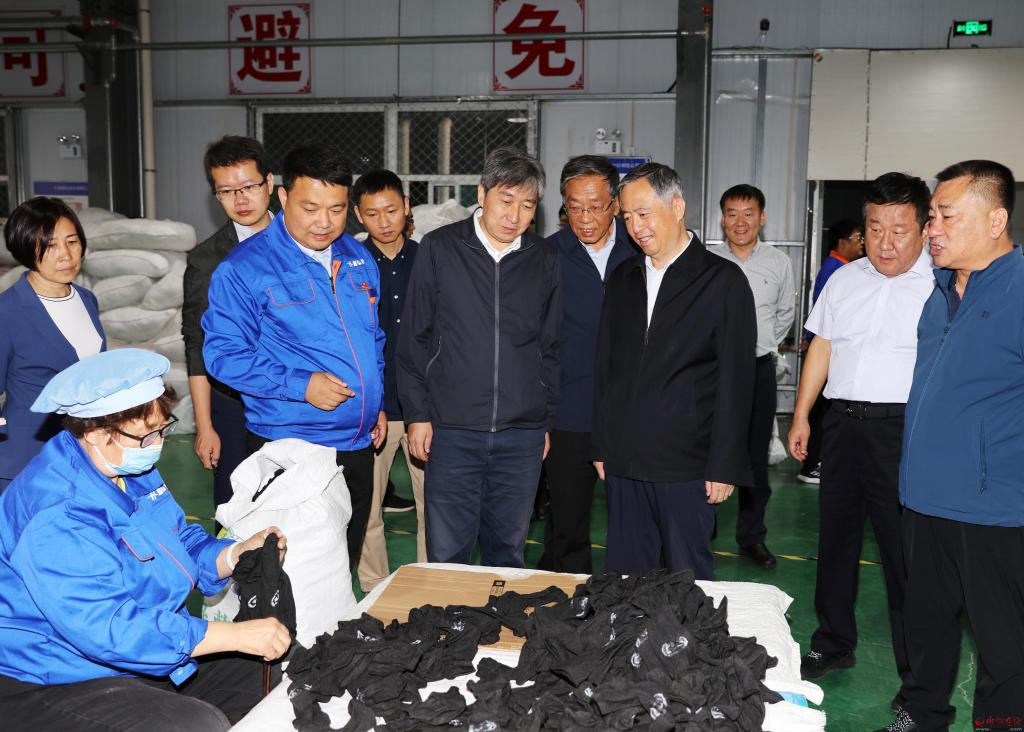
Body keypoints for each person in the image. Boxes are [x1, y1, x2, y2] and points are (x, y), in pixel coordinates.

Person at [0, 349, 290, 731]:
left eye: (162, 430)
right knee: (194, 725)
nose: (157, 444)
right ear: (95, 432)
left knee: (269, 675)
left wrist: (235, 553)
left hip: (143, 647)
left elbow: (179, 542)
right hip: (56, 676)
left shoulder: (126, 466)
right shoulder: (57, 511)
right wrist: (232, 635)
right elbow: (109, 628)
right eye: (147, 435)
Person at [877, 161, 1024, 732]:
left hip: (993, 508)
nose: (932, 229)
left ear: (996, 221)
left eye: (946, 216)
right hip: (922, 498)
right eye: (932, 216)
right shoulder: (938, 295)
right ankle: (922, 716)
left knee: (1004, 645)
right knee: (927, 627)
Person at [202, 144, 386, 569]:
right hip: (292, 446)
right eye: (310, 208)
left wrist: (374, 401)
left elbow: (373, 338)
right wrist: (301, 385)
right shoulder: (245, 268)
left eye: (337, 209)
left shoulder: (357, 257)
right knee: (296, 576)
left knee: (341, 567)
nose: (324, 222)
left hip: (357, 446)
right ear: (283, 197)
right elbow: (223, 355)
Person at [788, 174, 932, 713]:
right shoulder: (844, 280)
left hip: (904, 431)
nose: (885, 242)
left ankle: (917, 675)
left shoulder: (942, 284)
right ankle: (833, 643)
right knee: (837, 541)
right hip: (843, 426)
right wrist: (803, 415)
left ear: (924, 228)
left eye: (899, 229)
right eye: (875, 229)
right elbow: (822, 347)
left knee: (904, 557)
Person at [591, 162, 756, 580]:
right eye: (628, 217)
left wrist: (724, 464)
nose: (635, 227)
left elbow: (736, 382)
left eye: (644, 213)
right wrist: (602, 443)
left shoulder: (722, 281)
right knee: (625, 582)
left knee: (687, 583)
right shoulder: (623, 278)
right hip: (625, 461)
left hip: (687, 466)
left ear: (677, 207)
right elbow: (606, 367)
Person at [397, 147, 559, 568]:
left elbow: (551, 346)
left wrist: (543, 420)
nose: (515, 216)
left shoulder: (544, 258)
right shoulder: (440, 248)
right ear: (482, 194)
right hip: (451, 431)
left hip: (520, 436)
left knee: (508, 552)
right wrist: (418, 414)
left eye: (527, 206)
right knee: (448, 554)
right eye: (506, 200)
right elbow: (414, 338)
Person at [537, 155, 638, 574]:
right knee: (566, 521)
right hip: (569, 410)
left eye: (595, 206)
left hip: (632, 410)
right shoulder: (547, 255)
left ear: (616, 203)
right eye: (574, 207)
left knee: (634, 520)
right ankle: (567, 597)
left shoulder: (640, 250)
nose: (584, 218)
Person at [182, 135, 274, 519]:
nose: (240, 199)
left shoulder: (304, 243)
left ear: (269, 183)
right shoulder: (207, 259)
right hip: (233, 404)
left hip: (298, 398)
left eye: (249, 186)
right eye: (227, 191)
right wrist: (205, 426)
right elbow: (196, 343)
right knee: (235, 508)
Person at [708, 185, 795, 569]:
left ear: (762, 217)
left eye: (748, 213)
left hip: (758, 370)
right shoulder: (707, 260)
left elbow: (785, 314)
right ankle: (701, 532)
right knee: (707, 453)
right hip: (712, 373)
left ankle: (752, 538)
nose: (740, 222)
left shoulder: (779, 263)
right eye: (732, 213)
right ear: (722, 219)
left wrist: (762, 344)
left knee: (755, 459)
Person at [351, 169, 426, 592]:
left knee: (434, 508)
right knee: (368, 509)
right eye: (373, 213)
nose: (384, 221)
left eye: (392, 210)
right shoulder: (348, 264)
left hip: (424, 411)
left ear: (407, 206)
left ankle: (432, 587)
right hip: (371, 409)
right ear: (358, 215)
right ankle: (374, 588)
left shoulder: (430, 259)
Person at [0, 197, 105, 490]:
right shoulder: (7, 311)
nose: (66, 255)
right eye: (49, 245)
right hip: (26, 461)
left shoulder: (87, 300)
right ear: (24, 248)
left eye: (72, 242)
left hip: (83, 455)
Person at [798, 218, 864, 485]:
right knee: (822, 412)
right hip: (828, 350)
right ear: (842, 242)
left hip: (830, 348)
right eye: (858, 238)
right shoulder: (837, 270)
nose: (861, 244)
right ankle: (813, 463)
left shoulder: (841, 267)